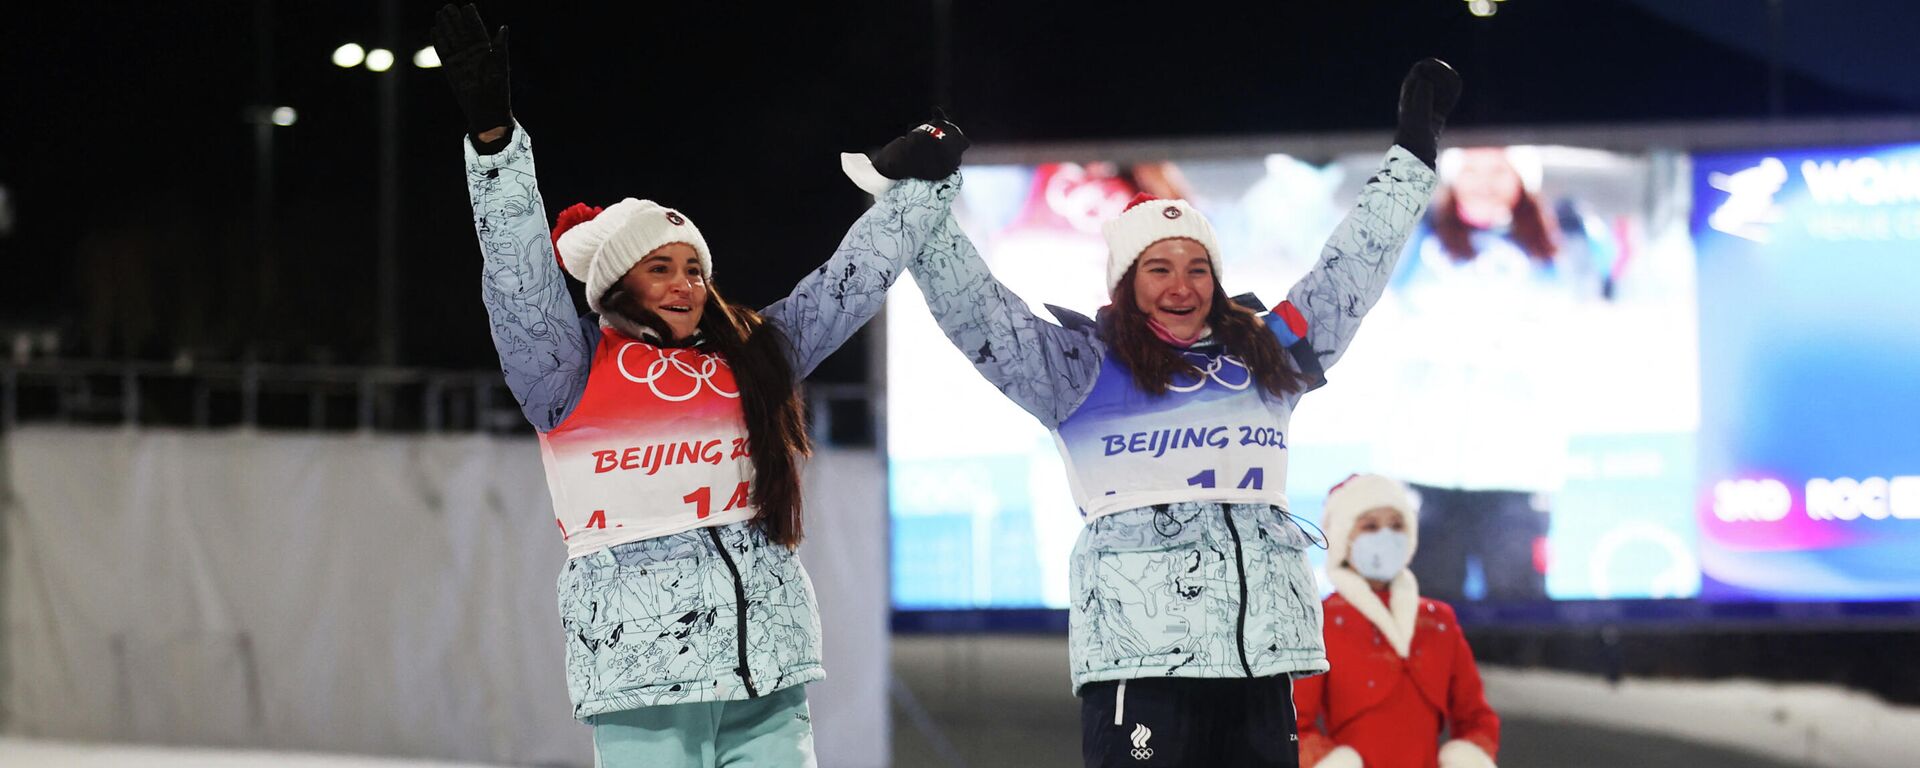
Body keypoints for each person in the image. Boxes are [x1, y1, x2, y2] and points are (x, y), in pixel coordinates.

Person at [849, 59, 1459, 767]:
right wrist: (920, 193)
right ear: (1125, 282)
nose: (1181, 285)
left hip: (1261, 663)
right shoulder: (1076, 367)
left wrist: (1414, 152)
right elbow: (973, 306)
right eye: (1158, 268)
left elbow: (1353, 267)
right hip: (1142, 670)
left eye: (1197, 267)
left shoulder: (1269, 354)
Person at [432, 5, 964, 765]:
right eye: (661, 268)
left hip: (769, 680)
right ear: (618, 280)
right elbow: (518, 277)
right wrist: (495, 149)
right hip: (646, 690)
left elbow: (847, 284)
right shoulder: (567, 369)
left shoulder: (750, 356)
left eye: (695, 269)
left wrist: (919, 187)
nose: (685, 285)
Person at [1375, 146, 1617, 603]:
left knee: (1521, 610)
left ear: (1523, 179)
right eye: (1471, 169)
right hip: (1422, 466)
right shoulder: (1416, 243)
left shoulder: (1563, 247)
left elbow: (1603, 288)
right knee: (1426, 612)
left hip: (1518, 471)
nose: (1483, 182)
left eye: (1498, 170)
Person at [1293, 473, 1501, 768]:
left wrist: (1467, 758)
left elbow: (1477, 717)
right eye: (1370, 526)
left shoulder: (1438, 622)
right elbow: (1293, 725)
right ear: (1343, 538)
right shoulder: (1320, 622)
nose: (1385, 536)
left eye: (1396, 525)